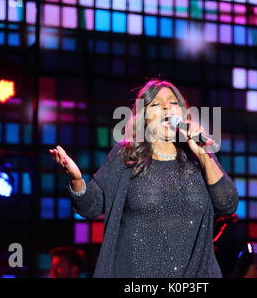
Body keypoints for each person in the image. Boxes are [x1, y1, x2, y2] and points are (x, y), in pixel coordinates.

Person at [49, 79, 238, 278]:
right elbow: (92, 206)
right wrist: (77, 180)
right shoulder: (126, 155)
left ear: (182, 113)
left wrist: (203, 155)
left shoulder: (200, 156)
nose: (166, 106)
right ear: (145, 118)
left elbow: (228, 204)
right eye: (155, 104)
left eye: (173, 102)